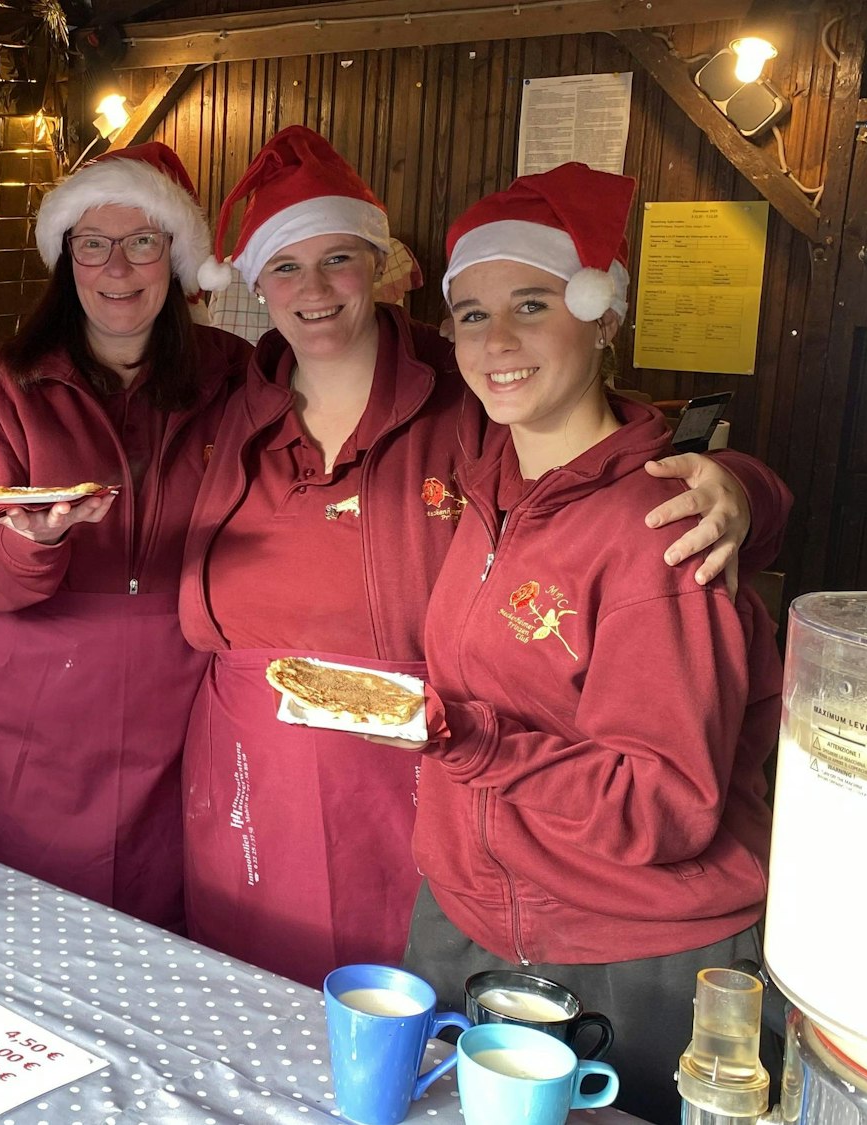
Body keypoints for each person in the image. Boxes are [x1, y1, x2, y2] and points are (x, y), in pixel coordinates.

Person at [178, 128, 786, 988]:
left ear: (381, 268)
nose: (312, 289)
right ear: (255, 285)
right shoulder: (234, 400)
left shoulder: (458, 403)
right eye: (284, 266)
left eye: (339, 258)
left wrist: (742, 490)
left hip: (456, 802)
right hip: (317, 788)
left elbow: (630, 471)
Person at [396, 163, 780, 1124]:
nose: (499, 341)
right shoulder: (487, 490)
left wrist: (470, 743)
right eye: (473, 314)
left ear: (605, 317)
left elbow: (667, 806)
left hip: (636, 955)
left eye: (533, 303)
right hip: (476, 923)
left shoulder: (661, 527)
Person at [0, 142, 245, 930]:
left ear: (175, 256)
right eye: (92, 244)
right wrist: (32, 545)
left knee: (161, 921)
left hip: (182, 693)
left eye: (142, 241)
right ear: (65, 259)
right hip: (37, 694)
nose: (117, 267)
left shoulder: (236, 375)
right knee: (21, 923)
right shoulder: (5, 382)